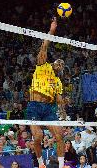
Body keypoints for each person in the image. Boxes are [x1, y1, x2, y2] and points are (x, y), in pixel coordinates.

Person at [26, 18, 65, 168]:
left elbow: (59, 100)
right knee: (38, 136)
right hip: (35, 105)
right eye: (58, 62)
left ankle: (61, 166)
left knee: (60, 136)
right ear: (54, 63)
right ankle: (41, 164)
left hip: (49, 109)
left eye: (62, 65)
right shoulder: (43, 65)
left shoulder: (58, 82)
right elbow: (44, 46)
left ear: (61, 70)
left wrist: (62, 107)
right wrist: (52, 31)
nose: (60, 64)